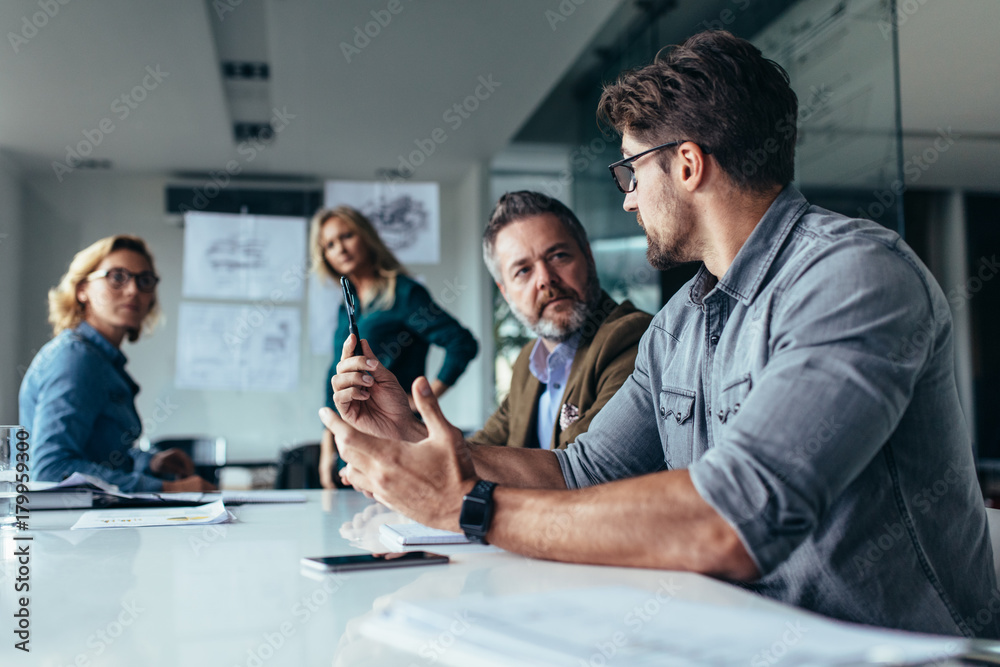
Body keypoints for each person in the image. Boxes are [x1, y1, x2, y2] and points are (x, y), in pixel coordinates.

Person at [320, 30, 1000, 638]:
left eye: (630, 169)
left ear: (687, 165)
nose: (626, 196)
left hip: (909, 653)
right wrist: (411, 433)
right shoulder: (679, 323)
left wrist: (471, 507)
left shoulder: (853, 276)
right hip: (747, 638)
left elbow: (733, 517)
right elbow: (578, 471)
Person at [331, 192, 651, 464]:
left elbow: (580, 469)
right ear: (504, 291)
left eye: (558, 256)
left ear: (589, 260)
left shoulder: (632, 340)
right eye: (522, 271)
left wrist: (408, 431)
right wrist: (396, 430)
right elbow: (477, 453)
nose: (545, 279)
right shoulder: (530, 362)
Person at [20, 235, 216, 492]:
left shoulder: (102, 360)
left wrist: (151, 463)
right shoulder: (76, 358)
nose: (133, 290)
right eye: (117, 277)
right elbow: (52, 470)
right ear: (82, 289)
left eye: (144, 280)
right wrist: (167, 489)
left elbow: (98, 457)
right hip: (72, 528)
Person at [311, 206, 478, 488]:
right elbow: (336, 373)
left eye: (346, 236)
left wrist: (423, 400)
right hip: (348, 445)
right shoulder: (347, 306)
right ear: (324, 256)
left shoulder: (404, 293)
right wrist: (328, 445)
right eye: (329, 244)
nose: (340, 248)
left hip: (393, 438)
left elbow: (461, 343)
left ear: (365, 236)